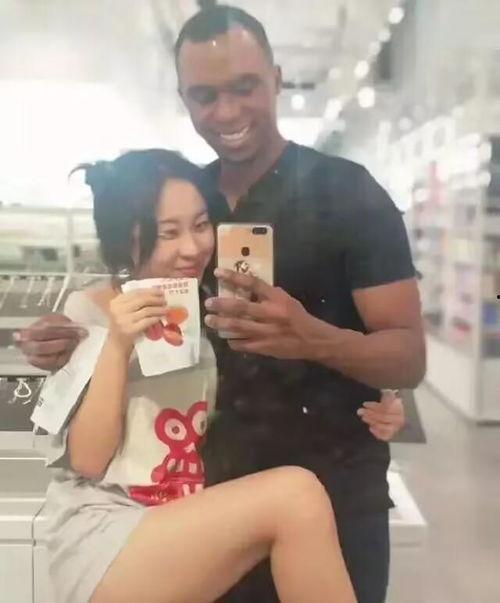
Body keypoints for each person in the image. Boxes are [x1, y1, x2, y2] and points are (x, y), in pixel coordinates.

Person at [17, 6, 424, 603]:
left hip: (333, 489)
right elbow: (130, 288)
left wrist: (316, 340)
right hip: (202, 501)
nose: (227, 112)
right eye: (205, 95)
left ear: (277, 79)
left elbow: (407, 357)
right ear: (184, 98)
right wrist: (78, 338)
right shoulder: (192, 196)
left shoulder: (348, 193)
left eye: (245, 87)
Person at [43, 148, 357, 603]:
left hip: (183, 515)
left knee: (299, 499)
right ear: (125, 238)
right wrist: (117, 345)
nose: (192, 247)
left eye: (201, 225)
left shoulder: (209, 303)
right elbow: (88, 462)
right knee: (296, 496)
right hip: (106, 529)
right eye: (168, 233)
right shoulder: (87, 310)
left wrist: (381, 399)